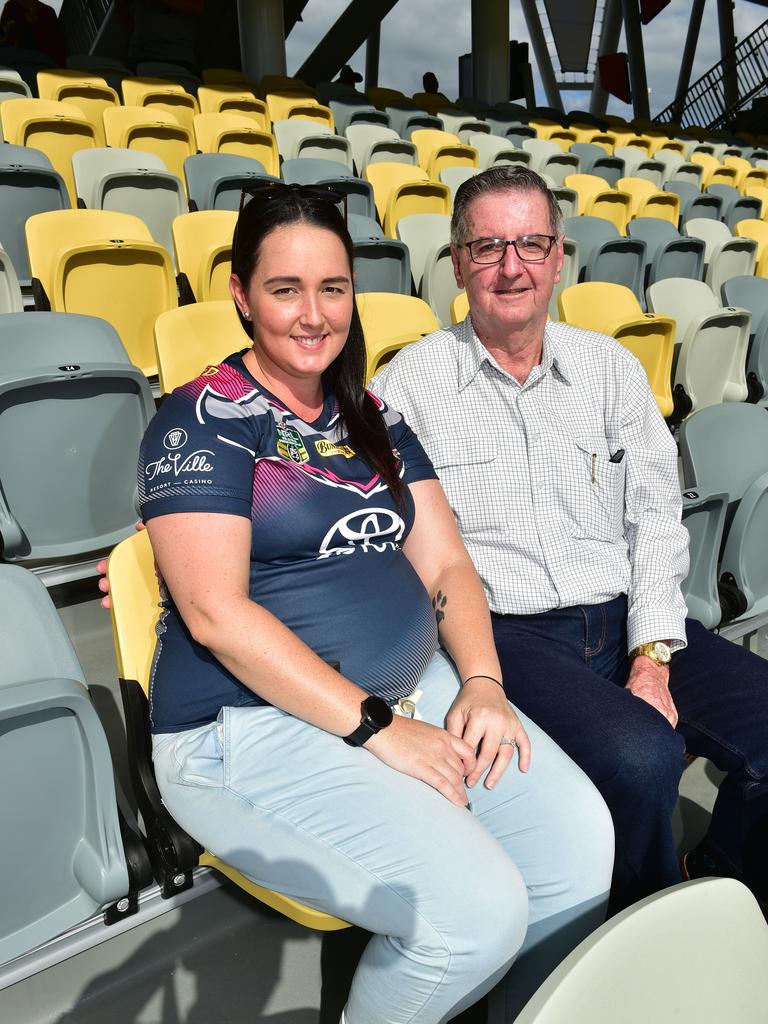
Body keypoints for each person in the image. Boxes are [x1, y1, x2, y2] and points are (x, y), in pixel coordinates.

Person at [133, 181, 613, 1023]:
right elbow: (216, 614)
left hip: (408, 693)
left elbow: (450, 568)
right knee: (472, 912)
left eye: (334, 288)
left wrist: (485, 684)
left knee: (578, 845)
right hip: (244, 727)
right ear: (241, 295)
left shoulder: (372, 416)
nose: (314, 315)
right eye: (285, 290)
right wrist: (378, 728)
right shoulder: (200, 419)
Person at [372, 165, 768, 914]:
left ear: (560, 258)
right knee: (642, 758)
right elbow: (340, 500)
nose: (511, 266)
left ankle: (718, 877)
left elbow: (654, 520)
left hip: (625, 616)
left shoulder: (611, 370)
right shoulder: (408, 387)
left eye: (530, 243)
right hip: (507, 636)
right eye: (487, 247)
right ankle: (648, 923)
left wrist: (652, 658)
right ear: (457, 264)